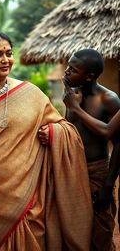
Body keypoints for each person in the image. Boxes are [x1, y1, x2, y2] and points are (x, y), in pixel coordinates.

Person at [0, 29, 93, 251]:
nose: (6, 60)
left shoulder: (31, 93)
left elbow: (65, 128)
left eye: (9, 53)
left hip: (31, 200)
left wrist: (54, 133)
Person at [40, 49, 120, 250]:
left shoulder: (108, 100)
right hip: (70, 169)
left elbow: (113, 138)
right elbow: (70, 130)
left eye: (73, 70)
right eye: (68, 67)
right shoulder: (72, 94)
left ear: (89, 76)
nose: (66, 72)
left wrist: (108, 185)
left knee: (99, 232)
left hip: (96, 173)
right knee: (71, 228)